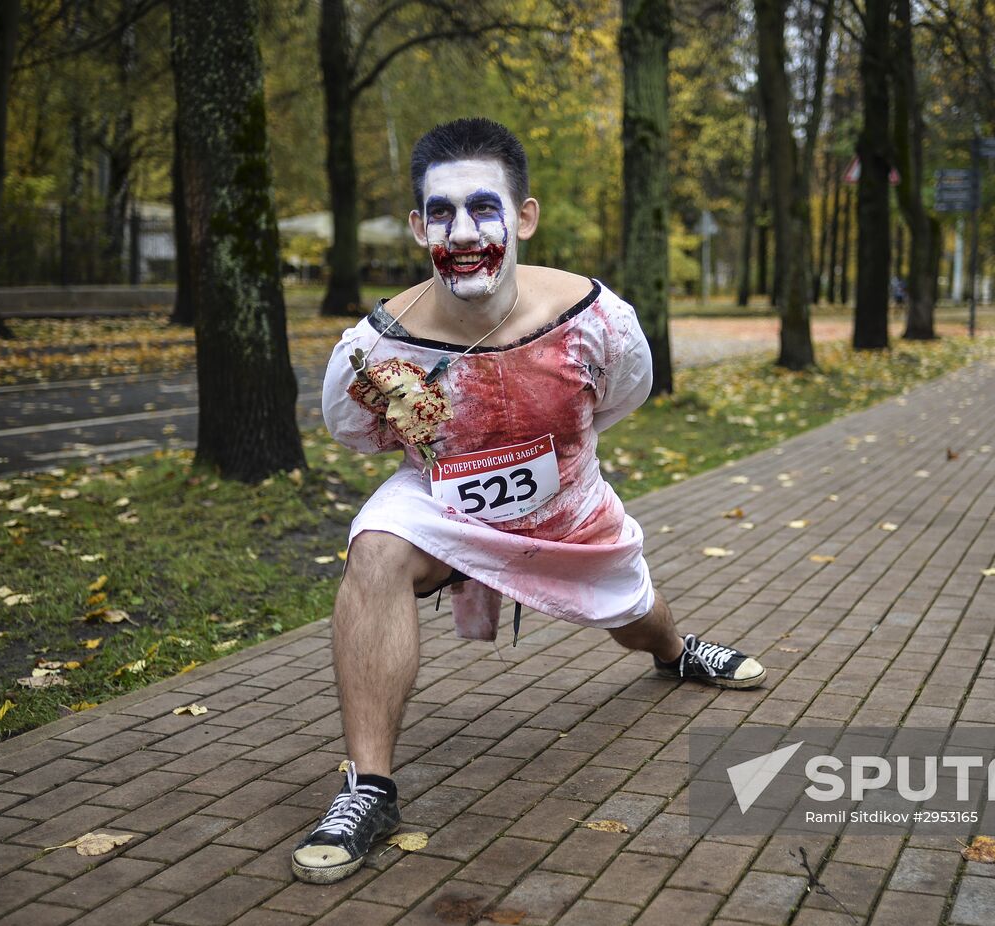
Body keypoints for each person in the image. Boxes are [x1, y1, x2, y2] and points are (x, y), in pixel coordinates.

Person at [291, 118, 766, 884]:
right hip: (444, 505)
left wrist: (553, 460)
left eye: (485, 207)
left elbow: (617, 397)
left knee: (639, 617)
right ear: (418, 227)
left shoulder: (595, 318)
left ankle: (677, 655)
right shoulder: (375, 347)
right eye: (441, 213)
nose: (465, 231)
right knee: (373, 548)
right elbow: (354, 428)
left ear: (526, 217)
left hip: (569, 509)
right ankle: (368, 788)